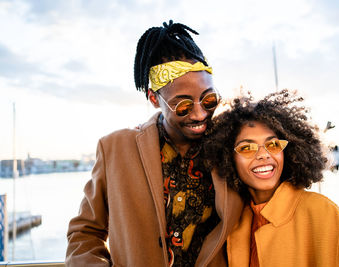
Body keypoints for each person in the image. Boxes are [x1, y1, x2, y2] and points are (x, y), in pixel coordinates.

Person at [65, 20, 243, 267]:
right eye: (183, 105)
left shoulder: (233, 145)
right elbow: (84, 233)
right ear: (153, 98)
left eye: (209, 99)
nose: (200, 114)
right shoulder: (114, 149)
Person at [204, 90, 339, 267]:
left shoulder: (322, 212)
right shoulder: (235, 221)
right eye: (247, 148)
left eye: (273, 144)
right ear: (228, 158)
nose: (264, 155)